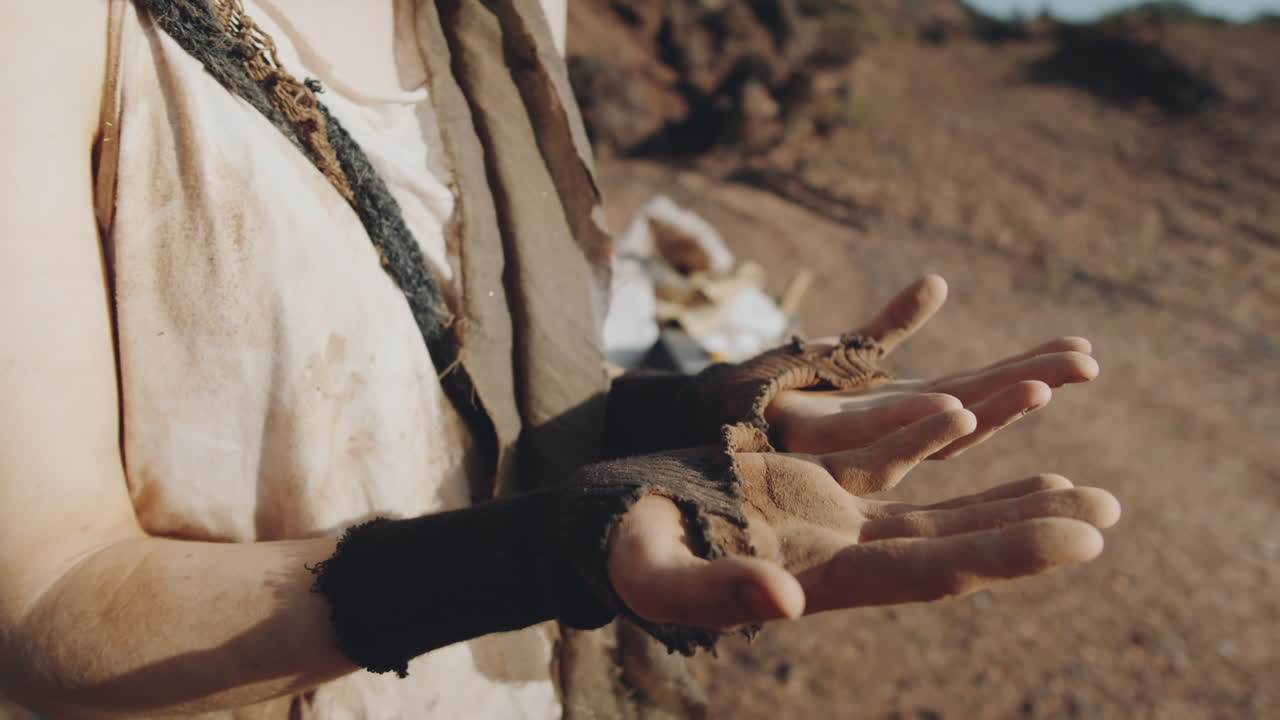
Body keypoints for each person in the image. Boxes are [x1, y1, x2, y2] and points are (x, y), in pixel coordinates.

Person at [0, 1, 1119, 717]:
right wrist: (539, 553)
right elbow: (50, 604)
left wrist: (703, 428)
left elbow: (455, 391)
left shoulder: (503, 19)